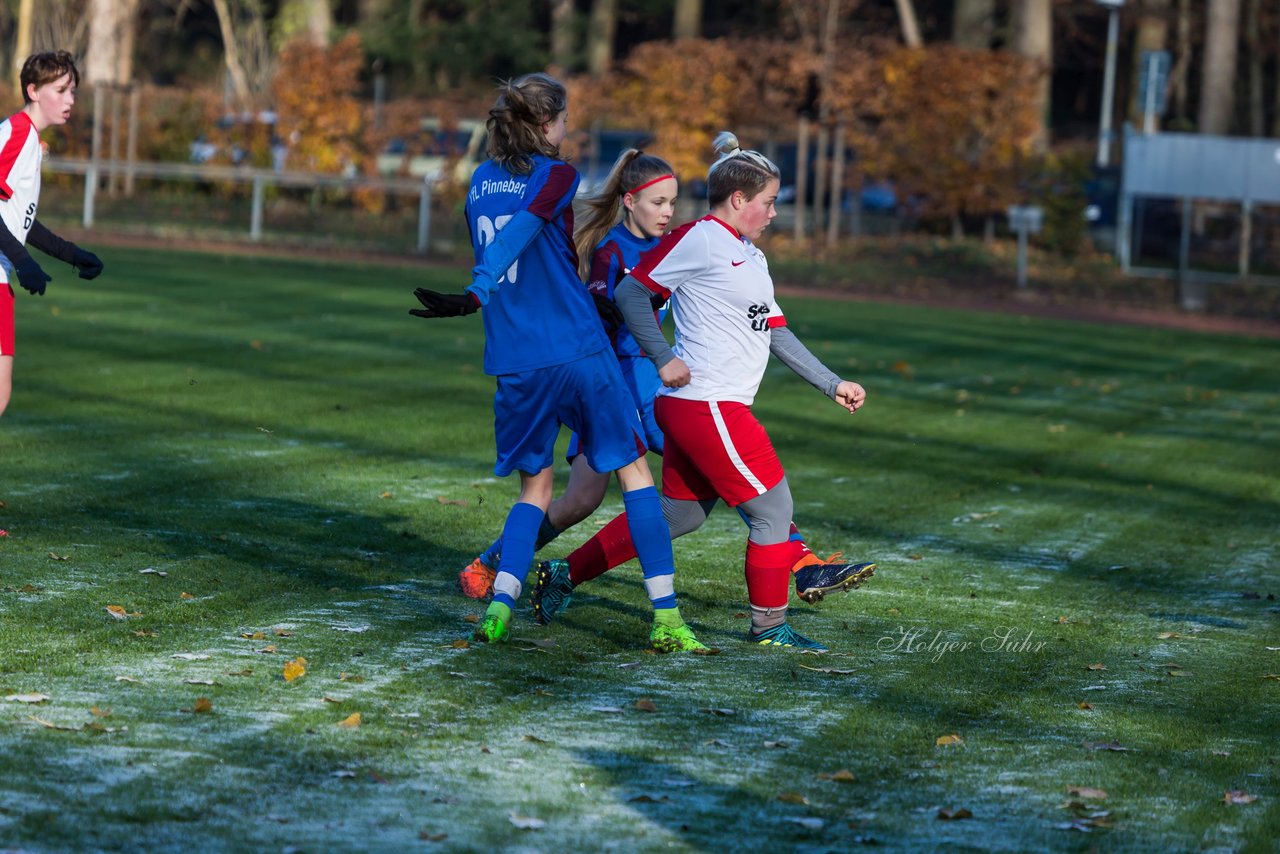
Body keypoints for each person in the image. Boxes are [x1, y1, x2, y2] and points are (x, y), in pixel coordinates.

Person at [458, 151, 874, 608]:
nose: (668, 212)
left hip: (660, 384)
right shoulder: (616, 250)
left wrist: (828, 381)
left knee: (685, 506)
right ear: (630, 202)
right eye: (657, 202)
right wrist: (652, 354)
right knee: (581, 499)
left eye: (673, 202)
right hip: (615, 382)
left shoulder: (698, 243)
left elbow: (760, 315)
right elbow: (611, 307)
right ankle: (496, 559)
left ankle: (801, 562)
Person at [408, 73, 704, 652]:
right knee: (637, 477)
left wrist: (481, 292)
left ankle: (499, 604)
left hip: (515, 361)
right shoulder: (558, 173)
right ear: (546, 125)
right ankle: (666, 618)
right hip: (577, 347)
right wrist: (477, 288)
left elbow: (508, 233)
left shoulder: (479, 179)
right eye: (565, 121)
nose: (568, 131)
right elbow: (522, 230)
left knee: (535, 491)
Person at [0, 51, 104, 418]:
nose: (70, 100)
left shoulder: (29, 140)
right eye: (61, 90)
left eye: (73, 91)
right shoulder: (14, 133)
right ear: (33, 90)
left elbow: (17, 221)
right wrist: (23, 261)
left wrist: (70, 254)